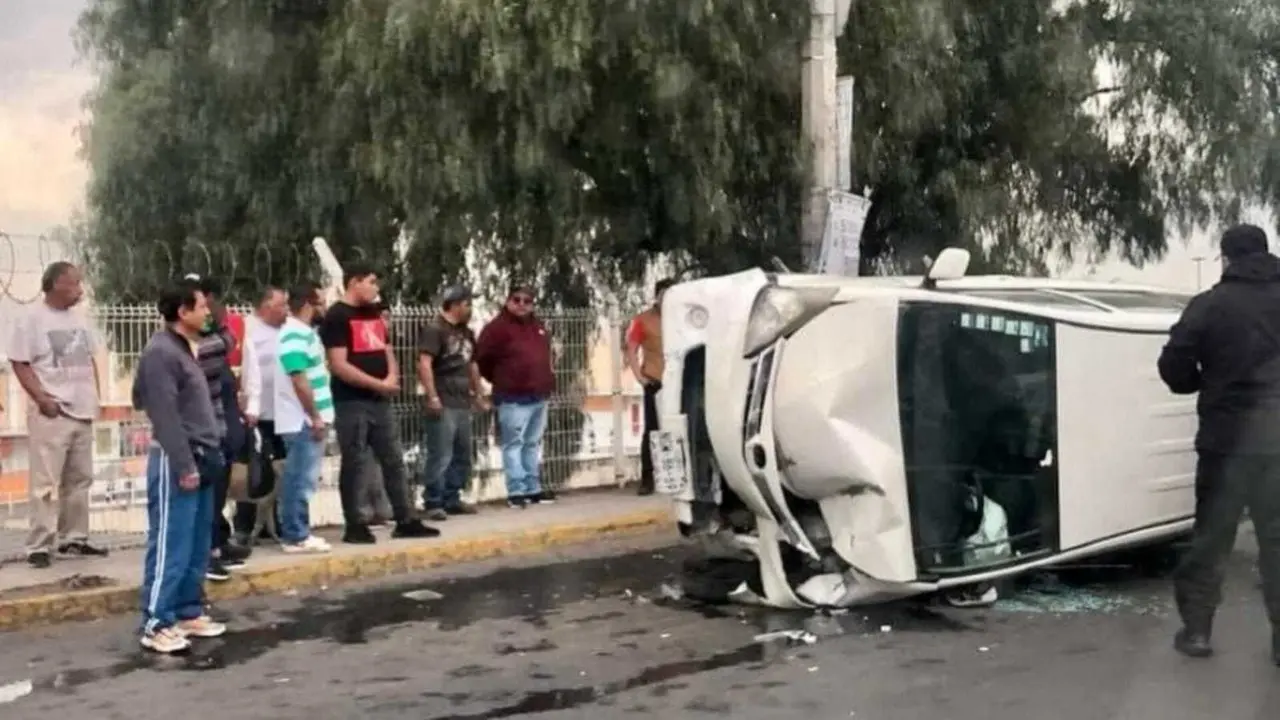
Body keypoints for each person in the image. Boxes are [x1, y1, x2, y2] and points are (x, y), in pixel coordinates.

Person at [1157, 222, 1280, 666]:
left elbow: (1173, 368)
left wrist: (1204, 380)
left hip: (1224, 444)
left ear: (1227, 258)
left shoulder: (1208, 305)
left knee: (1210, 540)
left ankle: (1197, 633)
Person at [133, 278, 227, 654]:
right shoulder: (161, 352)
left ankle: (187, 609)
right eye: (202, 307)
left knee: (196, 542)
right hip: (179, 459)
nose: (209, 312)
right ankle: (156, 621)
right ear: (182, 311)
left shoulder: (187, 348)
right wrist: (184, 463)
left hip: (203, 456)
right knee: (171, 542)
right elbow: (162, 412)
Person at [317, 262, 437, 544]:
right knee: (355, 461)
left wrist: (391, 376)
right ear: (354, 282)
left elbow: (386, 348)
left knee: (393, 459)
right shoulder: (337, 316)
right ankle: (355, 523)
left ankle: (405, 518)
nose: (375, 288)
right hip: (352, 402)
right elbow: (338, 364)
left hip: (380, 401)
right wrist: (377, 383)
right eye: (371, 281)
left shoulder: (373, 314)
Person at [8, 261, 107, 568]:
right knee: (45, 481)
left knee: (79, 479)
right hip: (53, 410)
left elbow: (90, 358)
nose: (79, 290)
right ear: (56, 285)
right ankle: (39, 543)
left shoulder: (79, 320)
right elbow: (20, 362)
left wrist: (95, 396)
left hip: (82, 409)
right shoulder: (32, 320)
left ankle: (74, 538)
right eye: (74, 283)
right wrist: (40, 398)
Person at [183, 275, 251, 580]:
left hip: (219, 425)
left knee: (217, 493)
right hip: (203, 432)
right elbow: (227, 340)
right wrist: (218, 317)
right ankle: (208, 553)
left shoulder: (201, 340)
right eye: (202, 304)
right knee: (207, 496)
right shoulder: (200, 347)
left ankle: (218, 543)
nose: (209, 309)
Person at [475, 284, 556, 508]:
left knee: (532, 443)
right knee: (513, 445)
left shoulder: (538, 327)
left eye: (527, 301)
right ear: (508, 301)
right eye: (517, 299)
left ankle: (533, 489)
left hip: (538, 395)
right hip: (512, 397)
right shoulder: (496, 328)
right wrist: (503, 379)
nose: (521, 305)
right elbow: (482, 360)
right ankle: (516, 492)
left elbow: (546, 355)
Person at [273, 283, 334, 553]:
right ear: (308, 304)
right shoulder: (295, 335)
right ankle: (296, 534)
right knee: (300, 479)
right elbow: (298, 378)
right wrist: (315, 416)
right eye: (320, 302)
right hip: (303, 421)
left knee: (302, 478)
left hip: (306, 419)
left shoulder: (303, 333)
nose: (324, 308)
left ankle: (297, 531)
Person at [416, 285, 485, 520]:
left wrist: (478, 393)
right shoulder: (435, 330)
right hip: (444, 398)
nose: (470, 308)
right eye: (467, 304)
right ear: (454, 305)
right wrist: (432, 396)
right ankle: (433, 500)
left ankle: (451, 497)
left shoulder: (466, 333)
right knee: (441, 453)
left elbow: (472, 364)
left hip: (462, 399)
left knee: (462, 453)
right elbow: (424, 363)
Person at [233, 286, 290, 542]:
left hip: (285, 414)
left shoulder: (288, 330)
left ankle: (273, 523)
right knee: (252, 472)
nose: (286, 310)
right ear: (266, 306)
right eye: (282, 305)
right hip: (256, 415)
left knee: (278, 474)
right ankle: (244, 526)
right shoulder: (248, 329)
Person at [625, 278, 675, 496]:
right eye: (664, 294)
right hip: (655, 381)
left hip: (679, 382)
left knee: (679, 431)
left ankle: (676, 478)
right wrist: (639, 377)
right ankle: (647, 478)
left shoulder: (684, 317)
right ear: (657, 295)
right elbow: (631, 349)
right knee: (653, 431)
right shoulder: (643, 320)